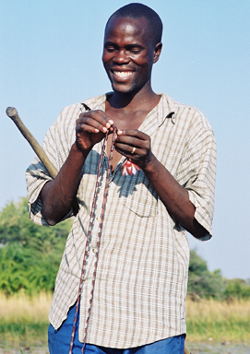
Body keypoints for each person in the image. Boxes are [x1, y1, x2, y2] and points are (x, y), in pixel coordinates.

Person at [26, 3, 216, 354]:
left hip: (154, 321)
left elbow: (198, 222)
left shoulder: (188, 123)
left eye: (133, 49)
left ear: (155, 52)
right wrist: (79, 149)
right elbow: (50, 212)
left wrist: (151, 164)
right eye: (111, 47)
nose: (120, 58)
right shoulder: (76, 116)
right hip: (78, 318)